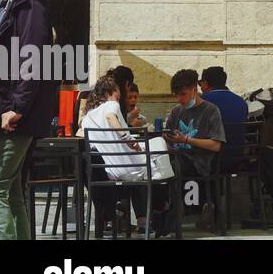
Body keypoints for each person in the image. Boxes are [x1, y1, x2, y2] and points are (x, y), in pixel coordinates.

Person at [0, 0, 57, 241]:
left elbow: (32, 60)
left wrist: (16, 108)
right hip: (3, 110)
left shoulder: (29, 5)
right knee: (12, 189)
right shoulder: (6, 5)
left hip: (13, 114)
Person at [80, 75, 174, 233]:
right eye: (118, 91)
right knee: (159, 143)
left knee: (150, 159)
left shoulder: (88, 118)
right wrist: (127, 138)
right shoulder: (112, 104)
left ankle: (153, 213)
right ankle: (163, 206)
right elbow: (110, 116)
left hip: (113, 171)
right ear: (112, 91)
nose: (120, 95)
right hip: (132, 168)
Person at [165, 68, 226, 232]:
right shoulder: (176, 111)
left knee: (171, 166)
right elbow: (167, 137)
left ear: (194, 89)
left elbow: (216, 145)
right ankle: (162, 212)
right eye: (177, 95)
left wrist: (186, 139)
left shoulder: (211, 110)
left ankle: (174, 212)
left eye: (183, 94)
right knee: (155, 164)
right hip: (176, 157)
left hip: (199, 162)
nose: (180, 99)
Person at [199, 66, 248, 167]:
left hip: (210, 161)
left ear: (206, 84)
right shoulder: (241, 101)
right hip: (236, 160)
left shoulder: (202, 101)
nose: (200, 87)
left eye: (200, 83)